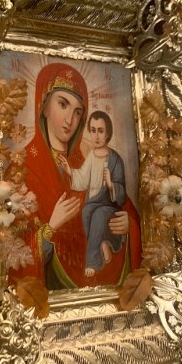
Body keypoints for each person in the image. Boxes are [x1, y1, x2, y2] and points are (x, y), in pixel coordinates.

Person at [7, 62, 141, 290]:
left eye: (78, 112)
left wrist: (129, 225)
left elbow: (125, 211)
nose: (70, 119)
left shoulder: (88, 160)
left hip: (97, 284)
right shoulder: (21, 169)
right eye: (63, 104)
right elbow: (12, 252)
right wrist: (51, 227)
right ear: (43, 105)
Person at [58, 112, 126, 277]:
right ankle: (103, 243)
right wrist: (69, 171)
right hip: (92, 203)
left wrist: (110, 184)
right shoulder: (91, 156)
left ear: (108, 133)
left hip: (109, 206)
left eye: (100, 131)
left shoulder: (115, 159)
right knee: (86, 212)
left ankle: (92, 262)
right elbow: (82, 178)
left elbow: (122, 193)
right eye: (93, 130)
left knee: (99, 215)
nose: (96, 136)